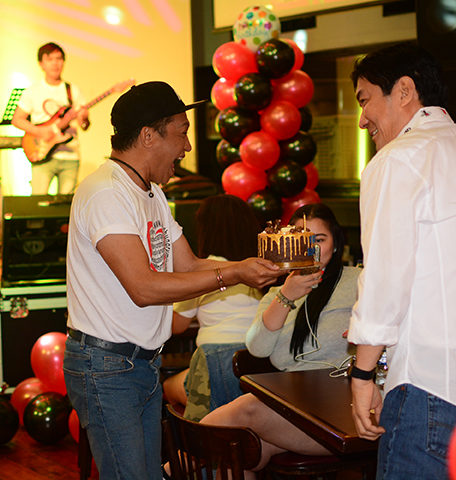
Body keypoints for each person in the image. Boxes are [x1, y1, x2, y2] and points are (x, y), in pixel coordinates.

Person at [62, 81, 282, 480]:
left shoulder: (152, 194)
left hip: (142, 363)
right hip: (107, 366)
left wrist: (251, 265)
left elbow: (189, 265)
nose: (187, 147)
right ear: (149, 136)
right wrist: (234, 273)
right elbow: (144, 287)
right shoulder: (106, 192)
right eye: (181, 133)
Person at [347, 43, 456, 480]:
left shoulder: (400, 158)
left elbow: (385, 279)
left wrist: (362, 374)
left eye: (365, 99)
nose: (362, 119)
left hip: (429, 388)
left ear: (404, 91)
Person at [200, 203, 360, 476]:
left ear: (335, 243)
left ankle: (170, 468)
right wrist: (286, 296)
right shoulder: (277, 293)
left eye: (319, 239)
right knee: (237, 454)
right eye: (301, 241)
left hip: (342, 411)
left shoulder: (357, 281)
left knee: (247, 409)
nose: (310, 248)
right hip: (294, 406)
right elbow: (257, 348)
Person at [163, 193, 263, 420]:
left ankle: (180, 440)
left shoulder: (204, 271)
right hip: (257, 363)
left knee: (167, 386)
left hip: (214, 360)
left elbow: (177, 326)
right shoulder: (259, 270)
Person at [12, 42, 89, 195]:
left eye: (59, 59)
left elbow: (84, 125)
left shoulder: (72, 90)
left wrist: (84, 119)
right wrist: (40, 132)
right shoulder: (32, 91)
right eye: (50, 59)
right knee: (37, 202)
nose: (55, 63)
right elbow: (17, 119)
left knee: (65, 205)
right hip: (42, 153)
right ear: (41, 64)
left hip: (70, 155)